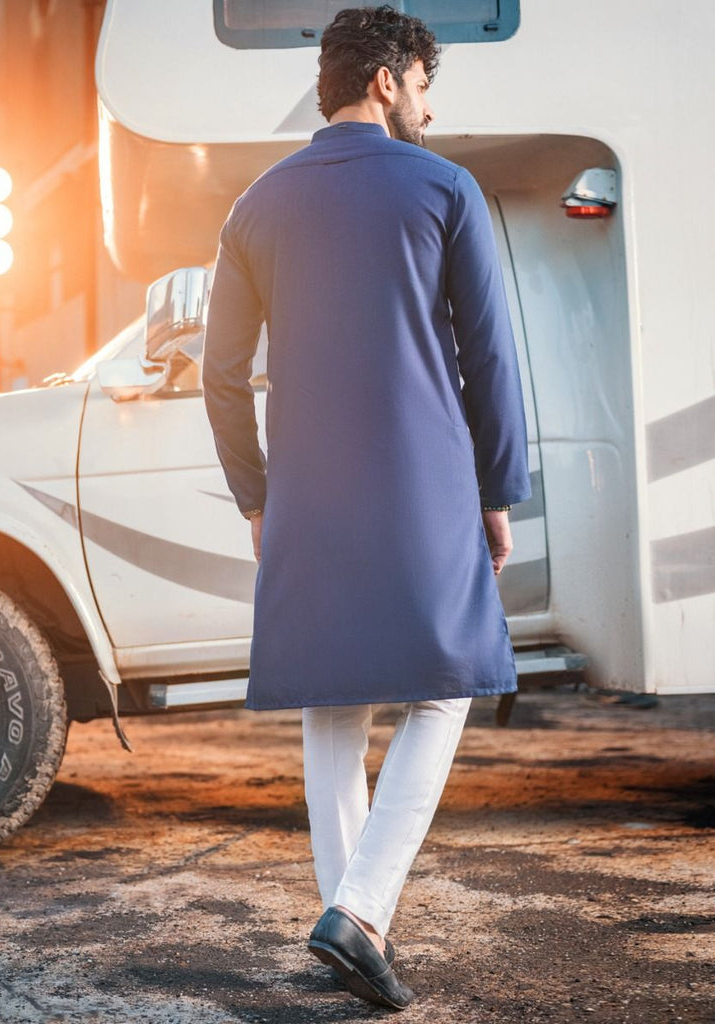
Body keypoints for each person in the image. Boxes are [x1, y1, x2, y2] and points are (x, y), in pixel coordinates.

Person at [203, 5, 531, 1011]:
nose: (427, 106)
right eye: (423, 85)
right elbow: (489, 357)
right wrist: (499, 491)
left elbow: (221, 376)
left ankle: (350, 920)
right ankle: (361, 909)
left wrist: (257, 499)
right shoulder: (445, 188)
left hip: (307, 496)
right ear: (386, 81)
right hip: (425, 487)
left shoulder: (256, 204)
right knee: (449, 685)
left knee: (335, 702)